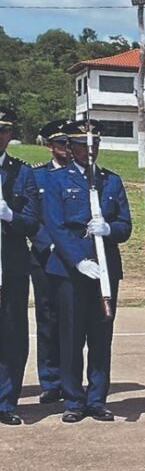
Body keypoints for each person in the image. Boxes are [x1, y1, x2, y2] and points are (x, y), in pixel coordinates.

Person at [45, 119, 132, 422]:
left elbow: (125, 226)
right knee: (70, 335)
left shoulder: (112, 180)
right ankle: (73, 399)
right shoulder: (57, 180)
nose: (88, 149)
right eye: (82, 144)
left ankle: (97, 398)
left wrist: (109, 229)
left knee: (100, 335)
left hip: (105, 268)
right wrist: (78, 261)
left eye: (93, 144)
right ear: (70, 147)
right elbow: (56, 225)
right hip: (72, 269)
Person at [0, 107, 40, 426]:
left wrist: (10, 215)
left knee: (12, 332)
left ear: (10, 135)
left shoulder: (22, 173)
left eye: (4, 130)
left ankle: (6, 400)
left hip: (10, 264)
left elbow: (32, 222)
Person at [31, 119, 71, 404]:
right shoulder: (37, 177)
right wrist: (54, 243)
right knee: (47, 319)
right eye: (60, 143)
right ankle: (50, 379)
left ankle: (71, 377)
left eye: (70, 143)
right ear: (50, 147)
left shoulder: (83, 176)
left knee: (74, 321)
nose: (66, 148)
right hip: (46, 256)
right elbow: (32, 218)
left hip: (76, 258)